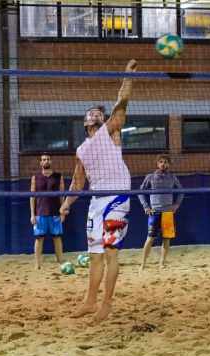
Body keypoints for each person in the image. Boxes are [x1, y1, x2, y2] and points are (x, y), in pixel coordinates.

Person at [59, 59, 137, 323]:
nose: (94, 117)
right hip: (96, 201)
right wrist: (66, 204)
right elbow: (77, 183)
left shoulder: (110, 132)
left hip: (117, 196)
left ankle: (107, 304)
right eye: (91, 115)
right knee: (94, 256)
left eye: (97, 115)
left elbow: (121, 104)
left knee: (111, 252)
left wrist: (127, 77)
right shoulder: (81, 150)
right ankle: (90, 301)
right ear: (85, 123)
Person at [138, 154, 183, 270]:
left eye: (166, 162)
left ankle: (162, 263)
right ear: (157, 164)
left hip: (168, 212)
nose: (163, 164)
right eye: (161, 162)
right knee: (150, 238)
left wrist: (176, 205)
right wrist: (146, 207)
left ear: (169, 164)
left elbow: (181, 191)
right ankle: (143, 264)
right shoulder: (150, 177)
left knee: (166, 238)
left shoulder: (172, 177)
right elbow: (140, 192)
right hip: (155, 212)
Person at [30, 154, 65, 269]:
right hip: (40, 213)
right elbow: (32, 196)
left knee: (57, 237)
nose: (46, 161)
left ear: (51, 161)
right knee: (39, 238)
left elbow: (62, 195)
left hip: (55, 213)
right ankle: (37, 264)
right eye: (44, 159)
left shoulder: (58, 176)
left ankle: (61, 262)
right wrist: (32, 215)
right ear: (41, 162)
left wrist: (63, 211)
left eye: (48, 159)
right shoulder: (35, 177)